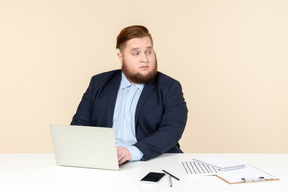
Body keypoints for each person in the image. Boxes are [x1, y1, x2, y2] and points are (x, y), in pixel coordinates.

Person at [71, 25, 188, 165]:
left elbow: (171, 131)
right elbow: (79, 125)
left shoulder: (170, 87)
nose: (144, 59)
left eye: (149, 51)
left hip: (154, 161)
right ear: (121, 57)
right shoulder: (98, 83)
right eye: (136, 53)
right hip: (105, 161)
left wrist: (131, 152)